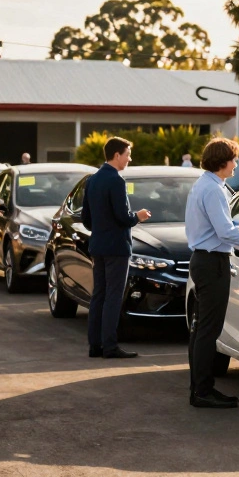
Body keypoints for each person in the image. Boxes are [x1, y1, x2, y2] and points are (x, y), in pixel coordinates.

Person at [185, 137, 239, 408]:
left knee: (202, 328)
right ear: (222, 161)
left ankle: (199, 389)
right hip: (212, 263)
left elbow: (224, 224)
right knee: (208, 330)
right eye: (234, 158)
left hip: (206, 260)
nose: (238, 163)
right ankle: (202, 391)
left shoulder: (210, 185)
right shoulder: (212, 189)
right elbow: (223, 231)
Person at [81, 137, 152, 359]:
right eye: (128, 154)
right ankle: (110, 346)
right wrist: (138, 217)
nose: (130, 158)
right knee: (113, 296)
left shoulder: (92, 180)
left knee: (99, 295)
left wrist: (102, 229)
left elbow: (86, 219)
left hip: (98, 245)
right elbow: (123, 217)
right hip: (116, 248)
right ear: (117, 155)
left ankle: (95, 345)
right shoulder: (116, 181)